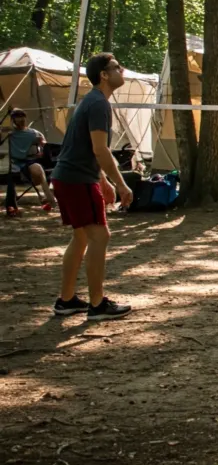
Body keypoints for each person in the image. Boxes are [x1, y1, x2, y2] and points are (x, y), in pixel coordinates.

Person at [51, 53, 135, 321]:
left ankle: (66, 301)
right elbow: (100, 149)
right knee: (100, 236)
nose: (122, 70)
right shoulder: (98, 104)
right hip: (76, 179)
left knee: (82, 237)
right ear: (104, 75)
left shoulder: (93, 102)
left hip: (69, 177)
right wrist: (121, 184)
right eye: (117, 67)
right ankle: (97, 305)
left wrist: (103, 180)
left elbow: (85, 147)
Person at [3, 108, 56, 215]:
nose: (20, 122)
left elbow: (44, 145)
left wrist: (41, 147)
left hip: (29, 161)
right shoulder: (9, 133)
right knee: (11, 177)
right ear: (13, 120)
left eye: (22, 119)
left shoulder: (33, 133)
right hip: (13, 163)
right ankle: (11, 206)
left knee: (39, 170)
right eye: (17, 119)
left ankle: (49, 199)